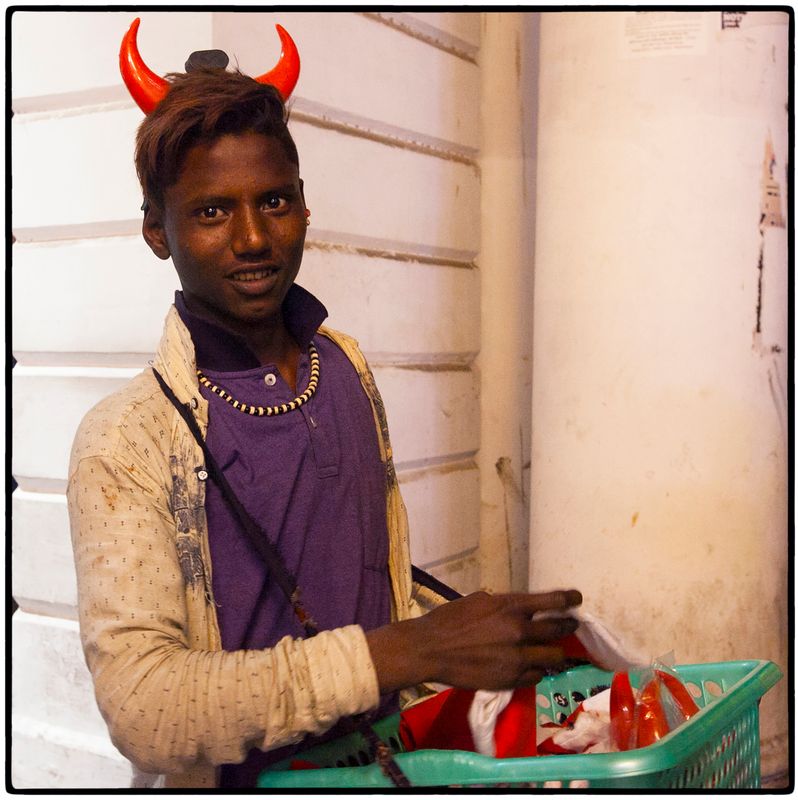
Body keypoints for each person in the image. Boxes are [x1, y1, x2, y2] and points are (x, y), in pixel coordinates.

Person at [67, 22, 583, 789]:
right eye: (211, 212)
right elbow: (145, 711)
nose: (253, 237)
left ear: (304, 207)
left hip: (386, 769)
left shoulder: (342, 367)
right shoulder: (125, 440)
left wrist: (479, 634)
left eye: (274, 200)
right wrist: (411, 651)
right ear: (155, 230)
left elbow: (362, 580)